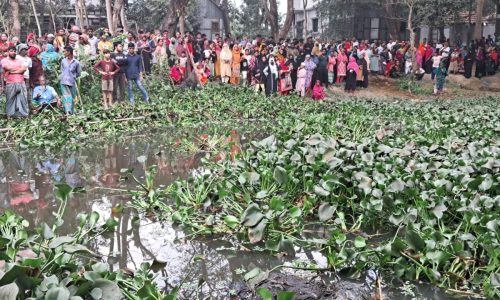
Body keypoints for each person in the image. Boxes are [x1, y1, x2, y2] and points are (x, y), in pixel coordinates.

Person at [1, 46, 29, 117]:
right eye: (11, 51)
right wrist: (18, 70)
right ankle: (10, 116)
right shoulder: (4, 60)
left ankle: (25, 115)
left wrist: (12, 71)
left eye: (14, 51)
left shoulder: (19, 61)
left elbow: (24, 69)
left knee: (24, 100)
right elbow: (8, 67)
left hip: (21, 82)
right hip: (10, 82)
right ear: (8, 52)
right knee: (10, 100)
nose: (13, 52)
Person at [60, 46, 81, 115]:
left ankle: (71, 112)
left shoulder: (76, 62)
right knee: (66, 97)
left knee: (72, 97)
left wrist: (73, 77)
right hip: (64, 81)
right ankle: (67, 112)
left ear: (69, 52)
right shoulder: (63, 61)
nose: (64, 53)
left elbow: (78, 73)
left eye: (65, 51)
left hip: (72, 81)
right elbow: (62, 70)